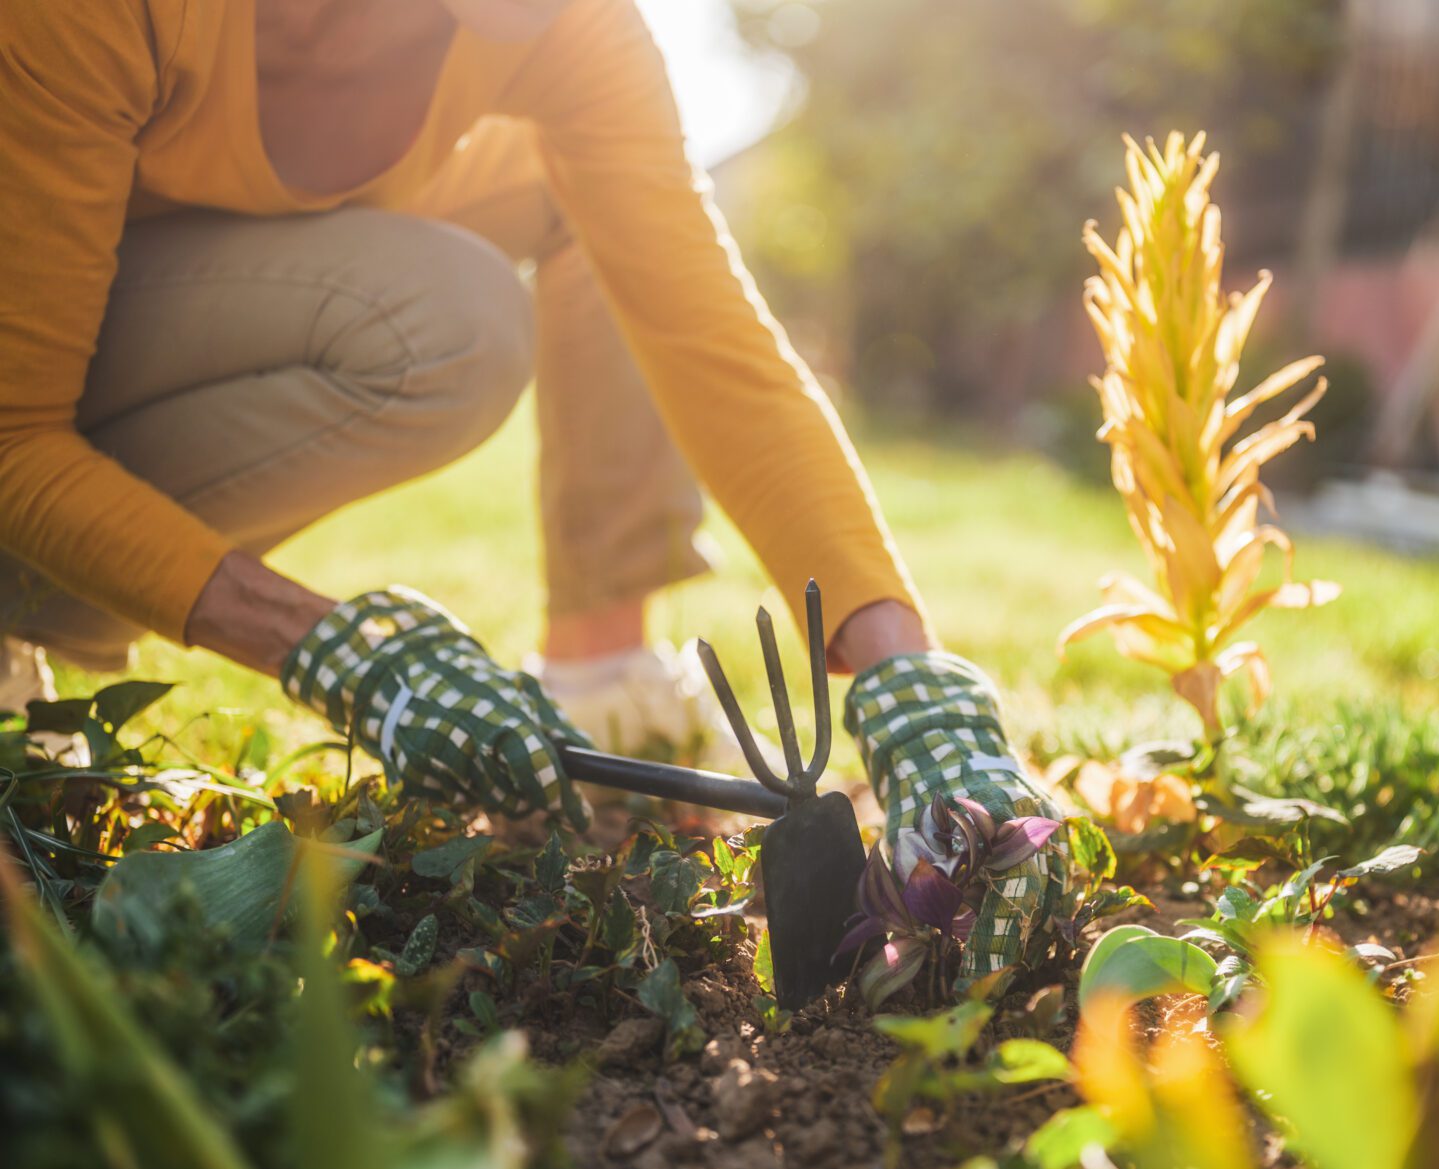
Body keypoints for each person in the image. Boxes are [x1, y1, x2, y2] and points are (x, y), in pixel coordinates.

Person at [0, 0, 1063, 980]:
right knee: (447, 321)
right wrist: (328, 642)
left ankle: (601, 674)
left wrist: (907, 674)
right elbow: (14, 436)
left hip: (140, 323)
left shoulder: (562, 25)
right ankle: (28, 606)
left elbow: (707, 333)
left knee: (594, 196)